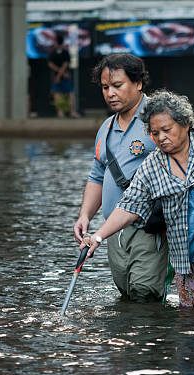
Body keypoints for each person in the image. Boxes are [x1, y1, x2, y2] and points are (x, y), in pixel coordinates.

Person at [81, 90, 194, 316]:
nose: (161, 137)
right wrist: (98, 236)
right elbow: (128, 206)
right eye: (154, 133)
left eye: (167, 130)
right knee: (193, 324)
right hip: (187, 262)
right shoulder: (152, 166)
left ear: (186, 124)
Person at [73, 54, 169, 302]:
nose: (110, 93)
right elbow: (97, 175)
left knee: (144, 295)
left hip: (149, 228)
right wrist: (85, 216)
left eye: (117, 85)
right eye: (105, 87)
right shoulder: (106, 128)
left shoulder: (159, 119)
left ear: (138, 83)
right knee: (126, 294)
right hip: (112, 230)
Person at [47, 33, 79, 118]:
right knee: (60, 94)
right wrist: (61, 73)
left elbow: (64, 64)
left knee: (69, 94)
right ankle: (61, 112)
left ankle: (70, 112)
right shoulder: (56, 52)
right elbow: (52, 64)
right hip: (63, 76)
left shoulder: (62, 52)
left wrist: (58, 75)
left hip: (62, 77)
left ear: (56, 42)